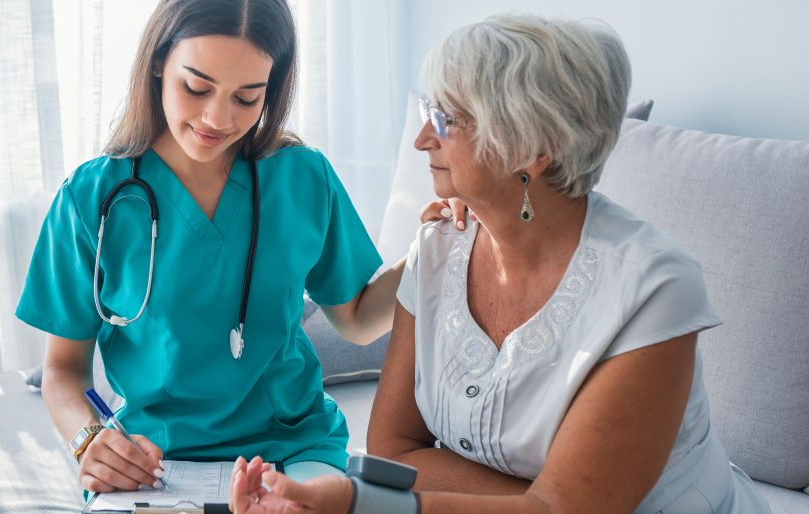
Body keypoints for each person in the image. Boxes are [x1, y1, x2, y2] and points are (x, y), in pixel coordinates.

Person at [229, 13, 771, 513]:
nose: (421, 139)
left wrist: (358, 502)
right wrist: (540, 497)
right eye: (427, 113)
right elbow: (395, 453)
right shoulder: (438, 249)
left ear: (535, 147)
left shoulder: (654, 288)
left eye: (446, 120)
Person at [15, 0, 406, 498]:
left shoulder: (301, 178)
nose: (216, 118)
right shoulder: (91, 199)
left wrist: (432, 250)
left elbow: (357, 319)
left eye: (247, 98)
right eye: (196, 88)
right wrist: (89, 439)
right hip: (153, 459)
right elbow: (63, 371)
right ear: (158, 62)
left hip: (291, 449)